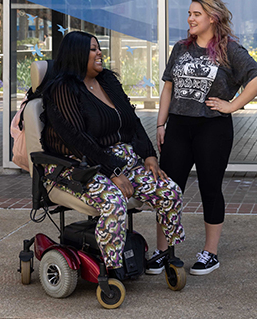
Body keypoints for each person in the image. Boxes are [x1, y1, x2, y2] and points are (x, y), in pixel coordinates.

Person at [41, 30, 185, 272]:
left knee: (169, 191)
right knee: (114, 201)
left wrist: (149, 154)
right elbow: (78, 140)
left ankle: (168, 255)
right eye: (93, 49)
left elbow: (132, 120)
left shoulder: (107, 81)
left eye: (99, 48)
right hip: (78, 168)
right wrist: (113, 171)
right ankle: (112, 270)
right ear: (77, 54)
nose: (100, 54)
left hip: (119, 162)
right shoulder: (63, 89)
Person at [149, 0, 257, 276]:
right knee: (166, 191)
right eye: (189, 14)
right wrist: (161, 124)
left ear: (212, 18)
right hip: (178, 126)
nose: (190, 19)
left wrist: (232, 105)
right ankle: (162, 251)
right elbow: (168, 87)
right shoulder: (180, 48)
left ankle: (209, 253)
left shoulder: (229, 50)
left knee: (210, 189)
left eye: (196, 14)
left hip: (212, 128)